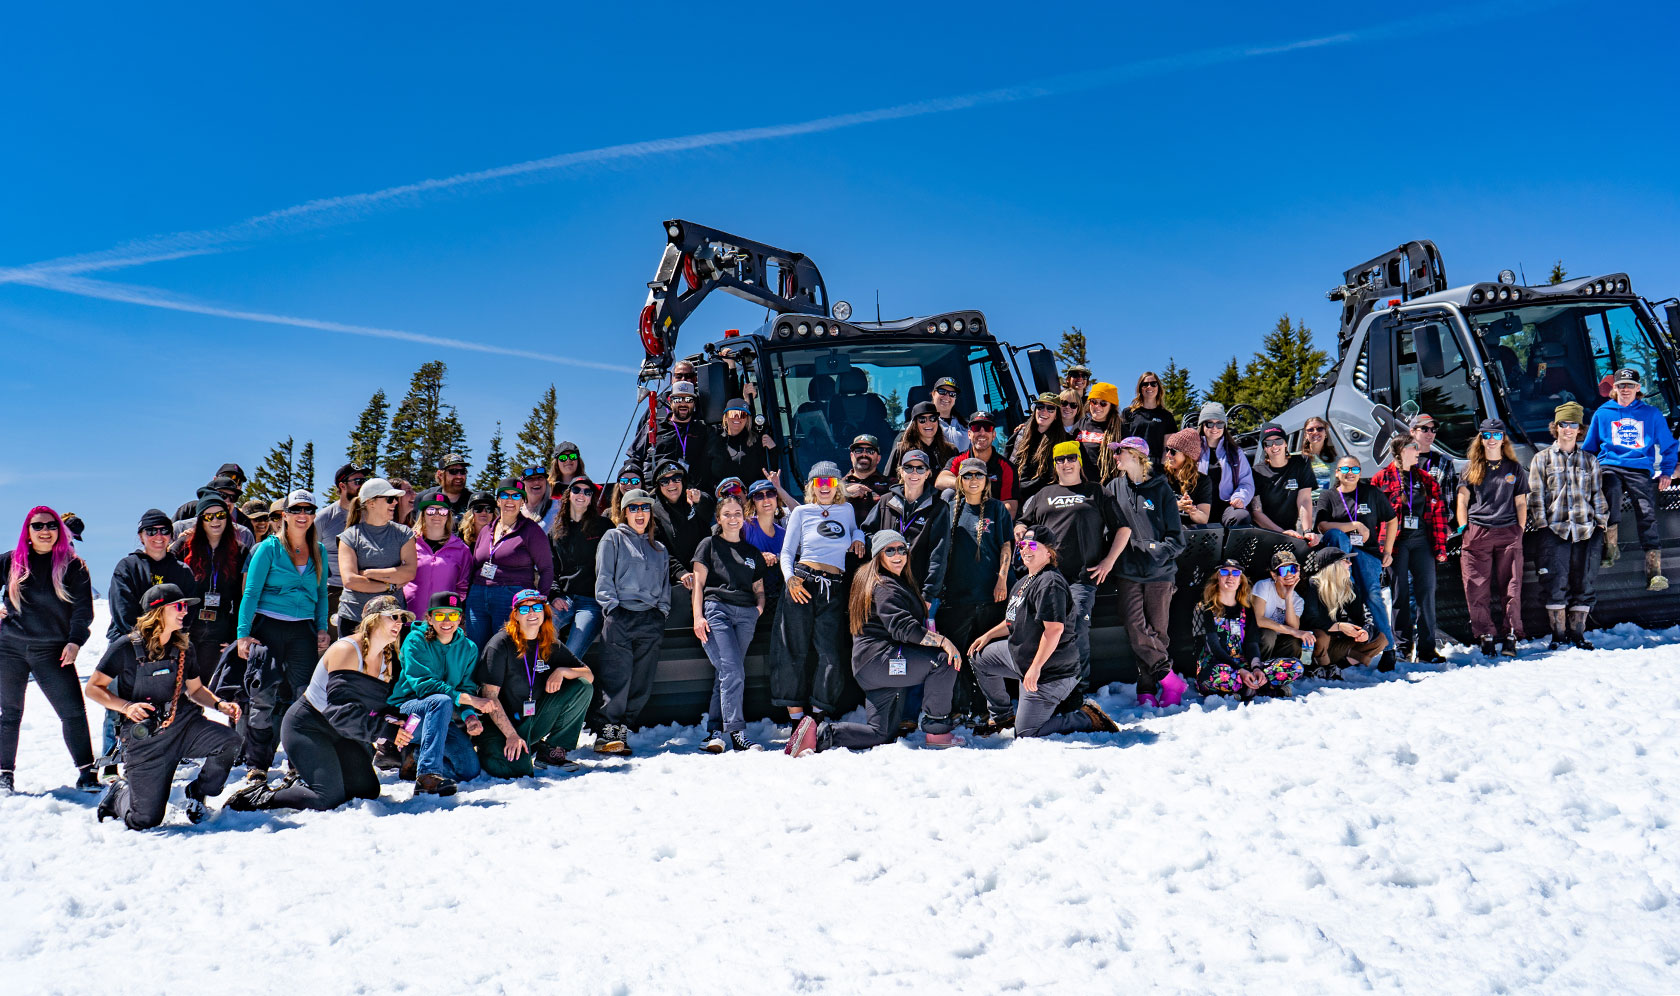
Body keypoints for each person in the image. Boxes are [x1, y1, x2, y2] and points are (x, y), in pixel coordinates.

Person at [783, 531, 964, 755]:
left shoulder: (887, 581)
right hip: (882, 661)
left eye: (902, 549)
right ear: (878, 555)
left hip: (873, 668)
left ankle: (818, 735)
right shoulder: (885, 586)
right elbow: (902, 628)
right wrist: (943, 641)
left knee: (880, 733)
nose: (898, 555)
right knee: (944, 662)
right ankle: (938, 732)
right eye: (890, 550)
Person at [225, 595, 410, 812]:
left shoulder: (386, 656)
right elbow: (339, 713)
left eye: (401, 617)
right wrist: (384, 729)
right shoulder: (347, 649)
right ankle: (259, 796)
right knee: (325, 798)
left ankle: (305, 779)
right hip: (307, 727)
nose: (399, 622)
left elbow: (371, 704)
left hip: (341, 733)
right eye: (393, 617)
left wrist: (392, 720)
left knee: (367, 790)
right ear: (373, 620)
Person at [86, 584, 242, 827]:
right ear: (157, 611)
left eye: (185, 607)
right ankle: (119, 793)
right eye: (178, 607)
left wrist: (219, 704)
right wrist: (126, 707)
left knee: (229, 741)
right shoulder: (125, 647)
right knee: (144, 819)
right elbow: (93, 687)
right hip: (146, 738)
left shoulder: (184, 648)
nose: (184, 612)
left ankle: (197, 792)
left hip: (185, 726)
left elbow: (196, 690)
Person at [967, 524, 1120, 738]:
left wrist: (1036, 668)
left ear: (1049, 552)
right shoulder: (1024, 582)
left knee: (1027, 733)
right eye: (1021, 545)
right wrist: (988, 635)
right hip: (1022, 658)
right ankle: (1003, 717)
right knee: (979, 657)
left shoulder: (1050, 583)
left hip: (1049, 672)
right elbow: (1014, 620)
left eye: (1031, 545)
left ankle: (1087, 717)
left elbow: (1054, 630)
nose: (1024, 549)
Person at [234, 489, 331, 790]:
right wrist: (243, 634)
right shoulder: (268, 548)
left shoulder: (319, 550)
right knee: (263, 699)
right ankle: (257, 766)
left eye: (309, 510)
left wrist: (322, 627)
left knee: (304, 698)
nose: (303, 515)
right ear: (285, 515)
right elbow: (250, 592)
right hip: (268, 628)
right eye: (296, 509)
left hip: (302, 630)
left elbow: (321, 593)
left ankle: (297, 764)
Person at [0, 507, 97, 795]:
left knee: (73, 713)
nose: (45, 530)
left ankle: (87, 772)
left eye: (51, 525)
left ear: (59, 530)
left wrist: (75, 641)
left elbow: (83, 610)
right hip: (10, 649)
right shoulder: (10, 561)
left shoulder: (73, 566)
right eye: (38, 525)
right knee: (10, 714)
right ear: (27, 532)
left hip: (53, 652)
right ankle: (4, 774)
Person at [1015, 439, 1125, 695]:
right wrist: (1020, 528)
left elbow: (1123, 528)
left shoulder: (1096, 491)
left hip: (1080, 578)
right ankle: (1043, 685)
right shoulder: (1043, 494)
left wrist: (1108, 561)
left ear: (1079, 460)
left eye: (1071, 458)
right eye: (1060, 459)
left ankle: (1078, 689)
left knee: (1075, 626)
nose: (1066, 463)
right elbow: (1022, 521)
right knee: (1040, 629)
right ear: (1054, 464)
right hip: (1044, 578)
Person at [769, 463, 866, 725]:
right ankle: (797, 720)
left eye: (831, 483)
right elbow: (787, 553)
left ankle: (817, 717)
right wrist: (790, 580)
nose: (825, 488)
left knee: (831, 654)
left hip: (834, 587)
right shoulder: (801, 512)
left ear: (838, 486)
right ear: (811, 487)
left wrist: (860, 538)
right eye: (819, 483)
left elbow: (853, 530)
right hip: (803, 583)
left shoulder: (846, 509)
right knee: (791, 651)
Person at [928, 457, 1014, 720]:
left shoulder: (997, 509)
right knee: (958, 657)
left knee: (985, 656)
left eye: (978, 475)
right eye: (967, 476)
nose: (973, 480)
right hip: (956, 598)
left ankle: (987, 710)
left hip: (990, 596)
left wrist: (1002, 578)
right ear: (960, 481)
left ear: (986, 480)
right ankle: (960, 709)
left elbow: (1006, 546)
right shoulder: (949, 507)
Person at [474, 589, 594, 776]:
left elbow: (588, 675)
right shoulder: (500, 644)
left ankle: (552, 750)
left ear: (544, 612)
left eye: (537, 607)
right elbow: (489, 698)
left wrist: (562, 671)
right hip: (500, 724)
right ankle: (484, 749)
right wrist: (511, 735)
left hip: (532, 719)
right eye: (524, 609)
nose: (531, 613)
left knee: (581, 686)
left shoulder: (548, 642)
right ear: (515, 615)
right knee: (517, 769)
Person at [1106, 437, 1188, 709]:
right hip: (1128, 571)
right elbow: (1108, 529)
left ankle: (1148, 686)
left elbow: (1177, 540)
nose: (1116, 457)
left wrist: (1153, 552)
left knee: (1158, 632)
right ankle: (1169, 677)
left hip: (1159, 574)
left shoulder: (1162, 490)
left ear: (1137, 456)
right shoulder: (1113, 488)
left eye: (1120, 452)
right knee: (1135, 627)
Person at [391, 590, 495, 795]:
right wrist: (469, 700)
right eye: (440, 615)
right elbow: (424, 685)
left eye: (453, 615)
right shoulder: (415, 641)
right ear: (429, 618)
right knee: (440, 700)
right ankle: (427, 775)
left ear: (460, 618)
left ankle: (418, 756)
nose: (447, 621)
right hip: (408, 715)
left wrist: (470, 716)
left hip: (441, 719)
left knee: (469, 771)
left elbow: (465, 686)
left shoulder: (468, 647)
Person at [593, 489, 672, 755]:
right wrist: (612, 609)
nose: (640, 513)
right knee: (617, 679)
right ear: (625, 512)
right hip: (621, 616)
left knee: (641, 681)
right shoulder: (613, 538)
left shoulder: (659, 548)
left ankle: (623, 731)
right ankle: (606, 735)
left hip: (650, 618)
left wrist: (661, 612)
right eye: (634, 508)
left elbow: (664, 587)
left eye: (645, 508)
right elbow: (604, 578)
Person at [1584, 367, 1677, 587]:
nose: (1625, 390)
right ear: (1614, 389)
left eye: (1630, 386)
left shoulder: (1651, 414)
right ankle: (1611, 548)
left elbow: (1669, 445)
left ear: (1638, 389)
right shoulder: (1603, 413)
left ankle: (1654, 572)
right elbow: (1589, 449)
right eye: (1621, 386)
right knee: (1611, 488)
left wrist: (1666, 471)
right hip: (1611, 466)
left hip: (1639, 469)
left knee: (1646, 511)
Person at [1530, 401, 1611, 650]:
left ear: (1580, 429)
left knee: (1584, 584)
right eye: (1563, 424)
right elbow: (1536, 495)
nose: (1568, 429)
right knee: (1555, 583)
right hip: (1555, 531)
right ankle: (1558, 636)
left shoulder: (1589, 460)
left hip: (1586, 530)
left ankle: (1578, 635)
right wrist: (1542, 526)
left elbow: (1597, 494)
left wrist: (1601, 524)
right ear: (1556, 427)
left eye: (1573, 424)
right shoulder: (1541, 458)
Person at [692, 495, 769, 752]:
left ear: (744, 517)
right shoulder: (709, 544)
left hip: (746, 615)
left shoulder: (752, 553)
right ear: (719, 518)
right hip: (718, 611)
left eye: (737, 513)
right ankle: (736, 733)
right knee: (733, 672)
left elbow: (759, 587)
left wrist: (758, 608)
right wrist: (697, 617)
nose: (733, 518)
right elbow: (699, 585)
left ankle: (715, 731)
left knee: (726, 674)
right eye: (727, 514)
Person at [1314, 455, 1399, 669]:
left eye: (1355, 469)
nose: (1350, 473)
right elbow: (1322, 526)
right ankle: (1347, 583)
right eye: (1345, 469)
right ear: (1336, 472)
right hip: (1341, 554)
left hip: (1366, 553)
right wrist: (1354, 525)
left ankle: (1389, 649)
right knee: (1336, 534)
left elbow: (1392, 520)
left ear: (1361, 472)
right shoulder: (1328, 495)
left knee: (1372, 594)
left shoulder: (1371, 492)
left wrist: (1387, 551)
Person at [1373, 435, 1450, 664]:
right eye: (1413, 447)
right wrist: (1379, 548)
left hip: (1421, 540)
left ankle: (1427, 649)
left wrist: (1440, 546)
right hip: (1395, 542)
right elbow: (1376, 517)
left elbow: (1439, 513)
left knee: (1426, 593)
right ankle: (1403, 647)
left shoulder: (1425, 478)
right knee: (1400, 594)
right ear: (1400, 451)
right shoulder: (1381, 478)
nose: (1418, 451)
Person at [1458, 419, 1530, 657]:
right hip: (1478, 532)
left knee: (1512, 585)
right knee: (1476, 586)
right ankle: (1485, 635)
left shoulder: (1514, 468)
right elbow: (1462, 500)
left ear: (1502, 438)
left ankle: (1511, 634)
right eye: (1486, 434)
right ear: (1481, 438)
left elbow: (1521, 502)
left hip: (1508, 531)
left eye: (1496, 435)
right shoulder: (1471, 468)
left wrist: (1519, 530)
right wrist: (1463, 527)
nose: (1491, 439)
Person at [1191, 560, 1305, 699]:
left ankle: (1247, 689)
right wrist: (1240, 671)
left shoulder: (1247, 610)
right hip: (1217, 666)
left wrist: (1256, 668)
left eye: (1236, 573)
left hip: (1245, 667)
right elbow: (1214, 646)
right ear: (1217, 578)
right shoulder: (1205, 608)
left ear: (1240, 581)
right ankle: (1262, 689)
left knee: (1296, 666)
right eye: (1225, 572)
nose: (1230, 576)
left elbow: (1251, 643)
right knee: (1218, 675)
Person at [465, 476, 555, 649]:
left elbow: (547, 569)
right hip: (477, 595)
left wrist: (538, 603)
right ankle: (478, 678)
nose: (510, 500)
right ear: (498, 500)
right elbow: (476, 565)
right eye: (505, 495)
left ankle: (498, 678)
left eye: (516, 496)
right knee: (475, 648)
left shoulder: (531, 530)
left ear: (522, 501)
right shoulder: (487, 530)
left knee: (504, 648)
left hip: (510, 595)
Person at [170, 496, 248, 681]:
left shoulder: (240, 550)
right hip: (187, 625)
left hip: (219, 628)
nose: (215, 521)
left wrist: (234, 635)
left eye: (220, 515)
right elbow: (170, 586)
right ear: (200, 519)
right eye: (208, 516)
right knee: (177, 682)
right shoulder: (184, 546)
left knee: (200, 685)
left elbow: (241, 597)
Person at [862, 449, 951, 600]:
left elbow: (939, 554)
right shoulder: (885, 501)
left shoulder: (938, 507)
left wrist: (928, 594)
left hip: (918, 591)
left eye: (920, 468)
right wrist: (884, 551)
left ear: (928, 473)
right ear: (901, 472)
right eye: (908, 468)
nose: (914, 473)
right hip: (884, 587)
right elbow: (866, 534)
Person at [337, 478, 418, 633]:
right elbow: (351, 581)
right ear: (371, 503)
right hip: (353, 617)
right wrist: (390, 586)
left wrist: (370, 574)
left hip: (393, 620)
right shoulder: (349, 536)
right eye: (389, 499)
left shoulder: (404, 533)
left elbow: (409, 572)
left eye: (395, 499)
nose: (395, 502)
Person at [548, 476, 610, 660]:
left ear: (592, 498)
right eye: (576, 490)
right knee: (540, 634)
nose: (581, 494)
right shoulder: (556, 531)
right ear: (568, 495)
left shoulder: (604, 527)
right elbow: (551, 569)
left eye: (587, 492)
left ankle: (562, 683)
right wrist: (555, 595)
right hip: (564, 599)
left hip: (592, 602)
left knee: (572, 652)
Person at [1300, 547, 1385, 677]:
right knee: (1321, 636)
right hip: (1313, 647)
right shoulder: (1313, 585)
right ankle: (1317, 667)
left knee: (1381, 640)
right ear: (1333, 566)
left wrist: (1365, 632)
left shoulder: (1349, 587)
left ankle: (1337, 667)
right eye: (1345, 560)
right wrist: (1339, 626)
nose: (1350, 563)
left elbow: (1365, 617)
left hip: (1336, 645)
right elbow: (1311, 619)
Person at [648, 460, 714, 608]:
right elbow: (659, 549)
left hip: (708, 574)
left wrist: (700, 501)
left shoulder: (695, 500)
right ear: (658, 486)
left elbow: (711, 512)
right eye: (665, 481)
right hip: (680, 582)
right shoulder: (655, 514)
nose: (671, 484)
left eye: (676, 479)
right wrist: (680, 572)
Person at [630, 379, 715, 490]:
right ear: (670, 402)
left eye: (689, 399)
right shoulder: (653, 426)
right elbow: (634, 458)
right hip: (655, 493)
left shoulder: (703, 430)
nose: (683, 403)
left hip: (689, 494)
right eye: (678, 399)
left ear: (694, 403)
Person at [317, 463, 370, 634]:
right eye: (357, 481)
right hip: (333, 590)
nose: (362, 485)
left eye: (364, 481)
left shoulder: (370, 515)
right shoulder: (325, 517)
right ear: (342, 485)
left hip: (365, 589)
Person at [936, 411, 1018, 514]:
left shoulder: (1006, 467)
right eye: (976, 428)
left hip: (991, 520)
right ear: (969, 434)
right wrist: (968, 484)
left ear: (994, 435)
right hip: (962, 517)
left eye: (987, 428)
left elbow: (1011, 508)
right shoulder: (959, 459)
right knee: (948, 493)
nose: (982, 433)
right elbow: (940, 480)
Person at [1250, 423, 1320, 541]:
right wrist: (1282, 533)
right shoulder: (1257, 471)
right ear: (1264, 448)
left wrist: (1307, 531)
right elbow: (1256, 513)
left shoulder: (1301, 462)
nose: (1274, 446)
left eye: (1278, 441)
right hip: (1264, 533)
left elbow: (1304, 499)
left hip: (1291, 533)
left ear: (1286, 443)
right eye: (1268, 443)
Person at [406, 492, 473, 614]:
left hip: (443, 620)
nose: (437, 515)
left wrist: (451, 610)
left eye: (442, 511)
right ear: (423, 515)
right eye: (431, 510)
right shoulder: (409, 543)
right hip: (409, 615)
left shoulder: (461, 549)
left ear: (448, 515)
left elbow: (463, 586)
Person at [1195, 402, 1254, 526]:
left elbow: (1246, 481)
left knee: (1241, 516)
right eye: (1209, 423)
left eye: (1220, 423)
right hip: (1197, 506)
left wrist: (1240, 497)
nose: (1214, 428)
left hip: (1225, 505)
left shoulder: (1235, 452)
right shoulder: (1192, 449)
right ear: (1202, 425)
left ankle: (1231, 545)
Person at [1011, 392, 1074, 506]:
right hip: (1014, 495)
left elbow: (1053, 478)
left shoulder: (1062, 441)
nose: (1044, 411)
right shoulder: (1021, 434)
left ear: (1056, 416)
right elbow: (1010, 464)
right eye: (1040, 407)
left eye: (1050, 408)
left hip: (1042, 499)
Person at [1251, 549, 1312, 662]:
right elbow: (1258, 620)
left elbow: (1294, 627)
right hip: (1258, 640)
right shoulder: (1264, 586)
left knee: (1295, 643)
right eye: (1283, 570)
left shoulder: (1298, 600)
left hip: (1278, 643)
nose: (1289, 574)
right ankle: (1257, 668)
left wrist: (1288, 597)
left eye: (1293, 569)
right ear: (1274, 575)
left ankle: (1276, 673)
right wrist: (1293, 631)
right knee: (1269, 634)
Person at [708, 401, 776, 490]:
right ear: (725, 417)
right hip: (724, 499)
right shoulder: (714, 441)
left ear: (747, 419)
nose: (737, 418)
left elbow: (771, 472)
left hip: (752, 497)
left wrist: (773, 450)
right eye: (733, 414)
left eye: (742, 415)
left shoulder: (757, 442)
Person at [1410, 414, 1459, 529]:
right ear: (1412, 431)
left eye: (1433, 430)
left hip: (1436, 524)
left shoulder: (1444, 461)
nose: (1430, 433)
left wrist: (1447, 524)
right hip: (1410, 526)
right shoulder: (1403, 460)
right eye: (1424, 429)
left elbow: (1450, 498)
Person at [886, 400, 959, 476]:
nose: (928, 423)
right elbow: (889, 481)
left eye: (933, 418)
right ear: (915, 425)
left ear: (938, 421)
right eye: (922, 420)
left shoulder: (951, 451)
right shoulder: (900, 451)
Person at [1121, 371, 1178, 467]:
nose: (1149, 387)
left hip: (1156, 467)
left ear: (1158, 387)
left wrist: (1162, 470)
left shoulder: (1166, 416)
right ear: (1140, 388)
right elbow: (1122, 442)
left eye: (1153, 384)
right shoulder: (1128, 413)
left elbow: (1167, 448)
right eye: (1145, 384)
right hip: (1133, 464)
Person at [1075, 382, 1123, 483]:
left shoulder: (1119, 429)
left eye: (1103, 403)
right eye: (1094, 402)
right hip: (1081, 488)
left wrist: (1117, 486)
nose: (1097, 406)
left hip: (1106, 489)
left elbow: (1126, 461)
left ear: (1111, 406)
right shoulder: (1080, 424)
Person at [1162, 428, 1212, 526]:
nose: (1168, 455)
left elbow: (1204, 519)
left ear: (1187, 456)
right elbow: (1150, 507)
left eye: (1173, 451)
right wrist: (1176, 506)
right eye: (1167, 449)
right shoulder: (1161, 475)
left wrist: (1192, 510)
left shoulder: (1203, 481)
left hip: (1189, 535)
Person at [841, 434, 892, 520]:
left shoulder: (892, 485)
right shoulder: (837, 485)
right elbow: (820, 506)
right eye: (858, 450)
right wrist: (845, 494)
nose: (864, 454)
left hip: (879, 533)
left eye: (870, 451)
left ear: (878, 459)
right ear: (851, 456)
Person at [1299, 416, 1339, 500]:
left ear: (1325, 433)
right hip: (1304, 507)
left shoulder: (1336, 460)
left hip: (1326, 506)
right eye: (1310, 430)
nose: (1315, 432)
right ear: (1305, 435)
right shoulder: (1297, 459)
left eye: (1320, 429)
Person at [929, 376, 970, 449]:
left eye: (952, 394)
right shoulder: (922, 423)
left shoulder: (966, 426)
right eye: (942, 391)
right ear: (933, 394)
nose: (947, 396)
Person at [517, 463, 559, 532]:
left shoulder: (558, 507)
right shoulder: (516, 511)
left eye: (540, 478)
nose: (536, 482)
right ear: (523, 485)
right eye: (530, 479)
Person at [428, 452, 473, 517]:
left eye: (463, 471)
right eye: (453, 471)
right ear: (440, 474)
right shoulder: (426, 499)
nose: (459, 476)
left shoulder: (474, 502)